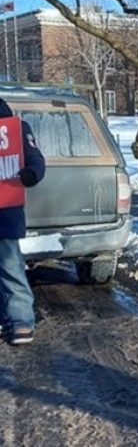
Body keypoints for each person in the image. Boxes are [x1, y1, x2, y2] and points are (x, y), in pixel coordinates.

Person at [0, 98, 46, 345]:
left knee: (10, 268)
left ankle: (20, 320)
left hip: (4, 213)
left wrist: (31, 174)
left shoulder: (16, 129)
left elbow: (36, 159)